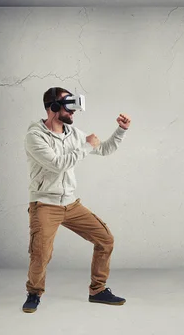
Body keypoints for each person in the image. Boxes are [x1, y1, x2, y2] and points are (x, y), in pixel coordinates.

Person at [22, 86, 131, 313]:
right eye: (69, 107)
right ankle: (34, 292)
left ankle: (98, 290)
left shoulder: (73, 134)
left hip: (71, 204)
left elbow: (104, 149)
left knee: (105, 240)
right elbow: (58, 163)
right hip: (44, 204)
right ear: (53, 107)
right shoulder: (35, 136)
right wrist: (86, 145)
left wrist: (120, 130)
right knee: (41, 253)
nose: (73, 113)